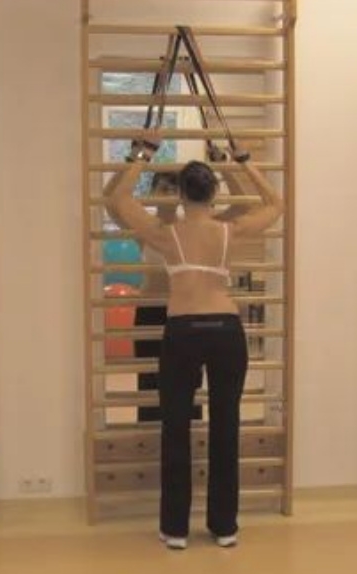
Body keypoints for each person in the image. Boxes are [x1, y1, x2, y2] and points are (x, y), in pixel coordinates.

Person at [107, 132, 283, 550]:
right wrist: (242, 160)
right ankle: (224, 527)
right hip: (226, 331)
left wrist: (143, 152)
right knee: (225, 428)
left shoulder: (165, 234)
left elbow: (118, 199)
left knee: (175, 428)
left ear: (183, 194)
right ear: (214, 193)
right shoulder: (228, 230)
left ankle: (175, 530)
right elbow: (276, 203)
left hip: (183, 331)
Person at [105, 156, 251, 422]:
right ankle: (150, 439)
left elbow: (242, 206)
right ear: (151, 192)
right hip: (151, 314)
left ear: (183, 194)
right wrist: (134, 158)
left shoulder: (195, 227)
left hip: (187, 317)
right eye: (163, 188)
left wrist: (224, 165)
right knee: (150, 387)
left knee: (188, 393)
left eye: (174, 188)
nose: (169, 194)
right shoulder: (145, 228)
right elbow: (111, 201)